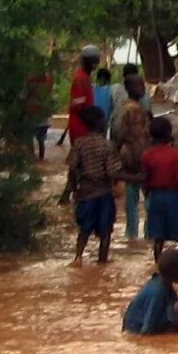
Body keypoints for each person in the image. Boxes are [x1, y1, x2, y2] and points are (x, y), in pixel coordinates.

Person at [61, 105, 120, 264]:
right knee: (105, 230)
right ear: (101, 123)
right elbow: (112, 172)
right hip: (104, 193)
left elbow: (72, 168)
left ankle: (78, 257)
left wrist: (73, 188)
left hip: (85, 192)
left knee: (84, 228)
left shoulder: (79, 144)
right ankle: (102, 260)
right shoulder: (108, 145)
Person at [140, 116, 178, 259]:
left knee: (158, 236)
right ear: (169, 133)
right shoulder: (176, 154)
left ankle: (158, 264)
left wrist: (148, 194)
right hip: (172, 196)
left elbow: (145, 180)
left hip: (155, 197)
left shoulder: (147, 155)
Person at [113, 69, 152, 240]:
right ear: (129, 88)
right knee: (145, 199)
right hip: (136, 158)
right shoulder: (131, 109)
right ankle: (148, 234)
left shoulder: (129, 108)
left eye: (142, 85)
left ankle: (132, 235)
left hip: (133, 158)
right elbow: (119, 135)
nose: (142, 88)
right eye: (138, 85)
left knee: (132, 200)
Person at [123, 247, 178, 335]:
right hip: (136, 332)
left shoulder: (163, 284)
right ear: (176, 272)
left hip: (146, 326)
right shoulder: (158, 292)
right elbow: (146, 331)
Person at [67, 45, 100, 142]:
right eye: (93, 60)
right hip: (81, 126)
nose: (95, 63)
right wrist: (94, 121)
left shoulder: (85, 77)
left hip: (84, 125)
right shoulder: (80, 79)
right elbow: (78, 106)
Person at [25, 64, 55, 162]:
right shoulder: (46, 81)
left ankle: (34, 157)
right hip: (41, 115)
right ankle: (39, 158)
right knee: (39, 138)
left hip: (35, 114)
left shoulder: (31, 82)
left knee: (32, 137)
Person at [92, 66, 117, 132]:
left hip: (93, 119)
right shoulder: (110, 90)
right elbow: (112, 106)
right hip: (104, 119)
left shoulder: (93, 88)